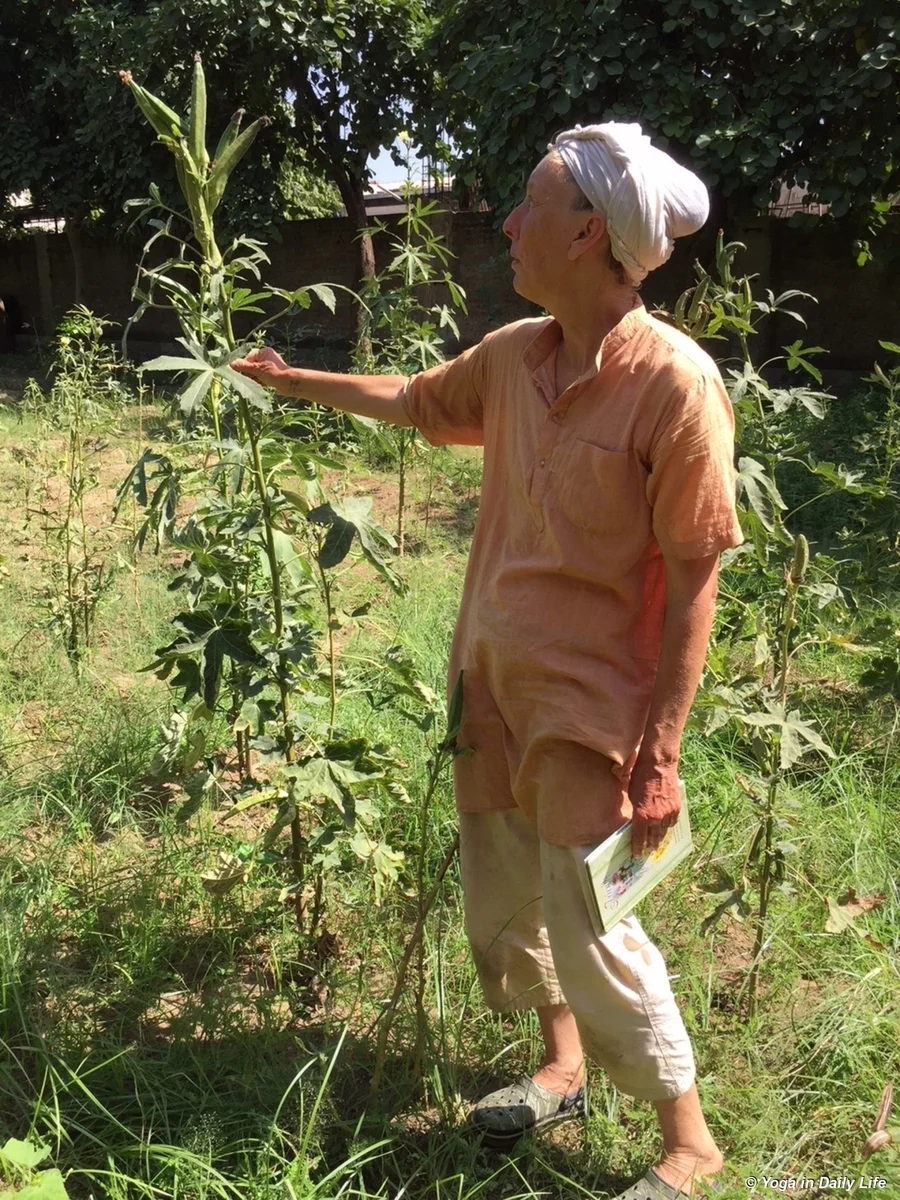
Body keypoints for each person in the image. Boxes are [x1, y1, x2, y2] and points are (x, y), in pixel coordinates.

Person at [233, 121, 743, 1200]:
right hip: (493, 682)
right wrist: (293, 384)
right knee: (511, 896)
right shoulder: (517, 356)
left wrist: (661, 752)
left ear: (589, 233)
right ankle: (561, 1066)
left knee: (595, 913)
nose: (508, 225)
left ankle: (689, 1142)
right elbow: (419, 402)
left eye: (528, 206)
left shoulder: (675, 387)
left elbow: (696, 575)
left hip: (588, 705)